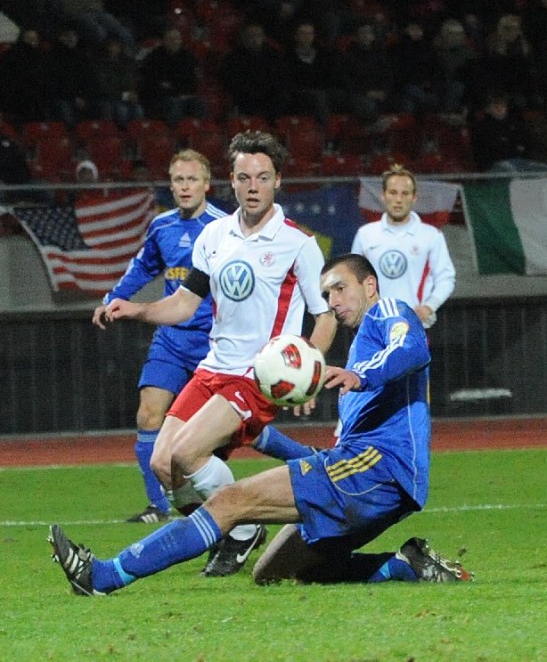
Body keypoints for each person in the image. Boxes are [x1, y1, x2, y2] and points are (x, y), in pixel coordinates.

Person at [48, 252, 473, 595]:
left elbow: (412, 348)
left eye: (340, 288)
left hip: (379, 470)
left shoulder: (389, 312)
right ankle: (403, 565)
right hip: (372, 476)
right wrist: (259, 435)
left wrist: (360, 375)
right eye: (326, 294)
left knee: (230, 502)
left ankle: (104, 575)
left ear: (370, 285)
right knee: (275, 572)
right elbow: (339, 451)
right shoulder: (363, 346)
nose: (333, 301)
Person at [88, 130, 336, 576]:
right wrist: (137, 309)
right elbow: (185, 304)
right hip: (212, 367)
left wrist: (310, 371)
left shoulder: (298, 244)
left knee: (187, 454)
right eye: (244, 177)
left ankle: (242, 528)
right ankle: (231, 529)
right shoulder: (214, 236)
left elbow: (325, 316)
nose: (253, 186)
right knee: (163, 464)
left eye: (263, 177)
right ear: (232, 181)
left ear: (278, 180)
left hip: (257, 376)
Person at [92, 150, 226, 523]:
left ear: (206, 184)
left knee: (229, 430)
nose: (185, 187)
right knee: (149, 414)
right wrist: (111, 299)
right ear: (170, 185)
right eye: (178, 180)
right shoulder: (162, 227)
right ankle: (158, 507)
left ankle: (298, 457)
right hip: (171, 337)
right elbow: (141, 268)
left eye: (192, 179)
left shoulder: (223, 228)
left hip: (213, 342)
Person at [351, 165, 455, 329]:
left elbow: (446, 278)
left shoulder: (431, 236)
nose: (398, 199)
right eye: (393, 193)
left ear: (414, 198)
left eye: (405, 193)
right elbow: (353, 279)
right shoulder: (365, 235)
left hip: (414, 327)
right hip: (374, 328)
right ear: (383, 196)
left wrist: (429, 306)